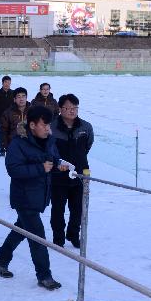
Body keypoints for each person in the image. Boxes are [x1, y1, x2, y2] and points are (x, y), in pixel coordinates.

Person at [0, 106, 67, 290]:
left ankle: (1, 260)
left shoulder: (48, 140)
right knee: (37, 236)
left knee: (21, 229)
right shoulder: (18, 143)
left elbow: (53, 158)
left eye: (49, 124)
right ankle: (44, 275)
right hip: (24, 197)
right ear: (32, 125)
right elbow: (13, 169)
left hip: (40, 195)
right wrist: (41, 168)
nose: (48, 128)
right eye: (44, 124)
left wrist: (60, 164)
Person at [50, 94, 94, 248]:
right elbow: (48, 149)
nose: (72, 111)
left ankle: (73, 234)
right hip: (58, 174)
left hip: (80, 174)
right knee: (58, 208)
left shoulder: (85, 127)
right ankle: (58, 237)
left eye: (75, 108)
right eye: (68, 108)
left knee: (78, 208)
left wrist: (78, 161)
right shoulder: (52, 127)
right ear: (60, 109)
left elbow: (88, 146)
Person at [0, 87, 31, 154]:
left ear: (26, 98)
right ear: (14, 99)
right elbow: (3, 130)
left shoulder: (33, 111)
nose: (21, 99)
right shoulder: (8, 112)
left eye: (23, 96)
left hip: (30, 146)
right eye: (18, 97)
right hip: (14, 146)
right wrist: (6, 145)